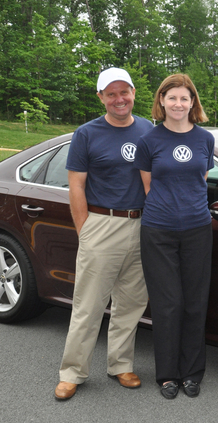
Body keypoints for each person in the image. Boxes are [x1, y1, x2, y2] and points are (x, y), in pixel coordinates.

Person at [55, 68, 152, 400]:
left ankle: (120, 365)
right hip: (101, 222)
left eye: (124, 92)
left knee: (132, 302)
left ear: (134, 93)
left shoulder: (147, 129)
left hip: (141, 224)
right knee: (88, 304)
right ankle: (72, 372)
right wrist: (86, 231)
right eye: (111, 94)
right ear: (101, 98)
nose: (119, 99)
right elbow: (76, 186)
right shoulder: (86, 133)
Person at [133, 74, 215, 399]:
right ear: (161, 101)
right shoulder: (149, 141)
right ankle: (167, 375)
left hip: (198, 229)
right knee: (168, 304)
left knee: (196, 303)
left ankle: (192, 373)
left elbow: (201, 180)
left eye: (185, 98)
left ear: (193, 102)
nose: (178, 104)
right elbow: (148, 187)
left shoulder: (205, 139)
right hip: (158, 230)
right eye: (172, 98)